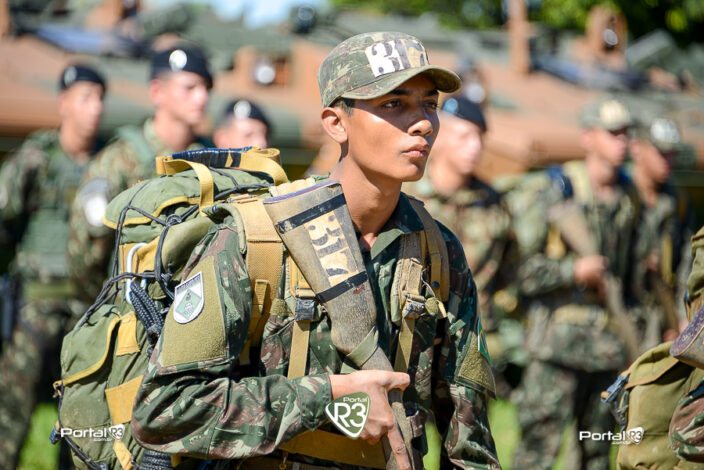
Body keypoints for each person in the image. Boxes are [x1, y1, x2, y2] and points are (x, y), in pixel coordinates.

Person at [131, 31, 501, 469]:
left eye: (429, 104)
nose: (421, 123)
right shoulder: (255, 240)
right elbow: (163, 410)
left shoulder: (437, 251)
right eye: (393, 104)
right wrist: (329, 398)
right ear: (336, 123)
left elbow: (470, 445)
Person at [511, 97, 640, 469]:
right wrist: (574, 271)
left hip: (608, 349)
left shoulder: (628, 197)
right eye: (612, 132)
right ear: (588, 137)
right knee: (536, 454)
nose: (622, 141)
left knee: (597, 453)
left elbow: (633, 277)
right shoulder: (557, 189)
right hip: (556, 349)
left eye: (626, 133)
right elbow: (523, 272)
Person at [0, 63, 107, 468]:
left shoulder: (108, 162)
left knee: (81, 412)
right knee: (12, 408)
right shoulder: (36, 158)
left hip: (86, 309)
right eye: (85, 97)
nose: (95, 108)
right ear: (63, 103)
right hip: (35, 305)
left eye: (99, 98)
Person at [68, 44, 212, 301]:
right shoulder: (120, 160)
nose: (201, 98)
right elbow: (86, 254)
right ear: (157, 92)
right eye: (189, 88)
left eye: (205, 88)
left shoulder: (211, 161)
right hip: (132, 306)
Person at [404, 96, 521, 395]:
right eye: (465, 136)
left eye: (480, 138)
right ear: (440, 136)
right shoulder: (407, 196)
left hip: (471, 340)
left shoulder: (493, 203)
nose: (475, 147)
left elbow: (510, 270)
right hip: (413, 338)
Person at [630, 116, 693, 343]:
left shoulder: (677, 202)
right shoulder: (621, 195)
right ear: (637, 148)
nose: (669, 161)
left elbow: (686, 266)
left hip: (661, 322)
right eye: (661, 152)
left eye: (673, 153)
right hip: (621, 317)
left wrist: (682, 318)